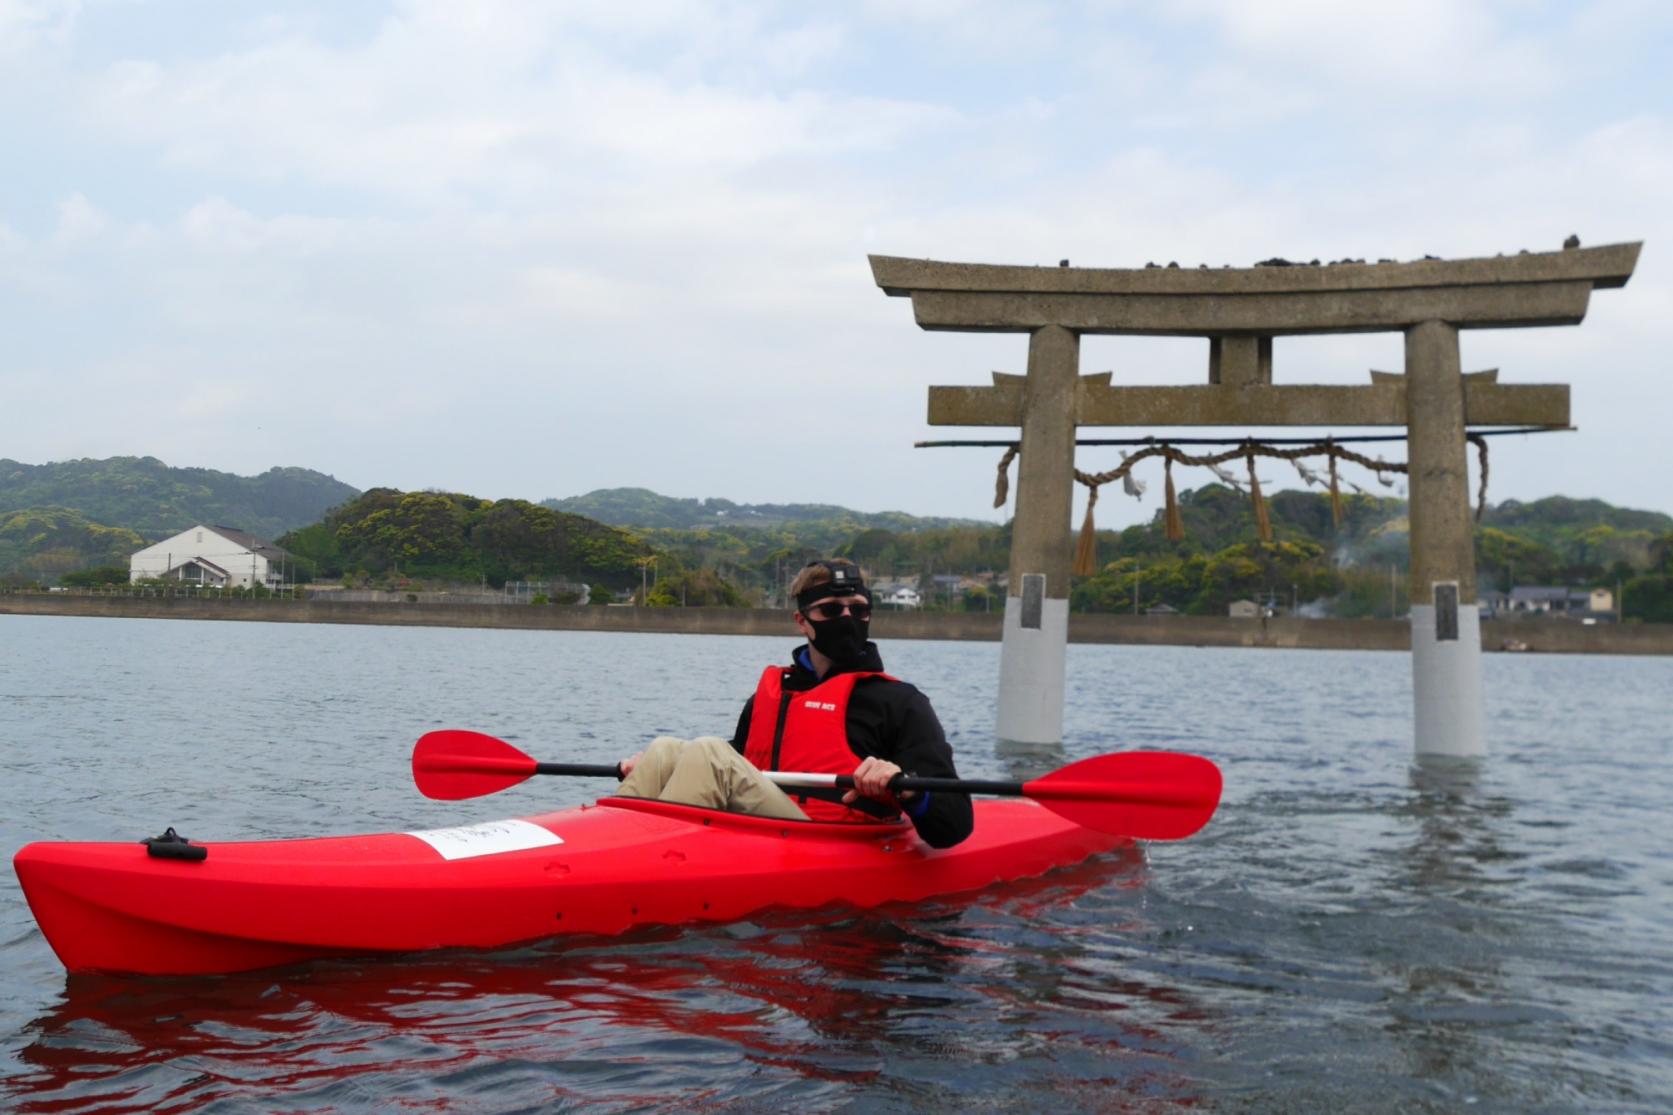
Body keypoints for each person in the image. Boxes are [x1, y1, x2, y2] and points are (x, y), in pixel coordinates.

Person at [617, 559, 973, 848]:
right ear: (801, 621)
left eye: (859, 610)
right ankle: (612, 845)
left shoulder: (900, 702)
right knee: (664, 750)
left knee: (708, 752)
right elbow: (739, 764)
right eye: (831, 610)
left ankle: (648, 858)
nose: (847, 619)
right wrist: (663, 767)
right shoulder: (768, 698)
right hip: (758, 834)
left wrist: (907, 785)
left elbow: (954, 825)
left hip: (827, 841)